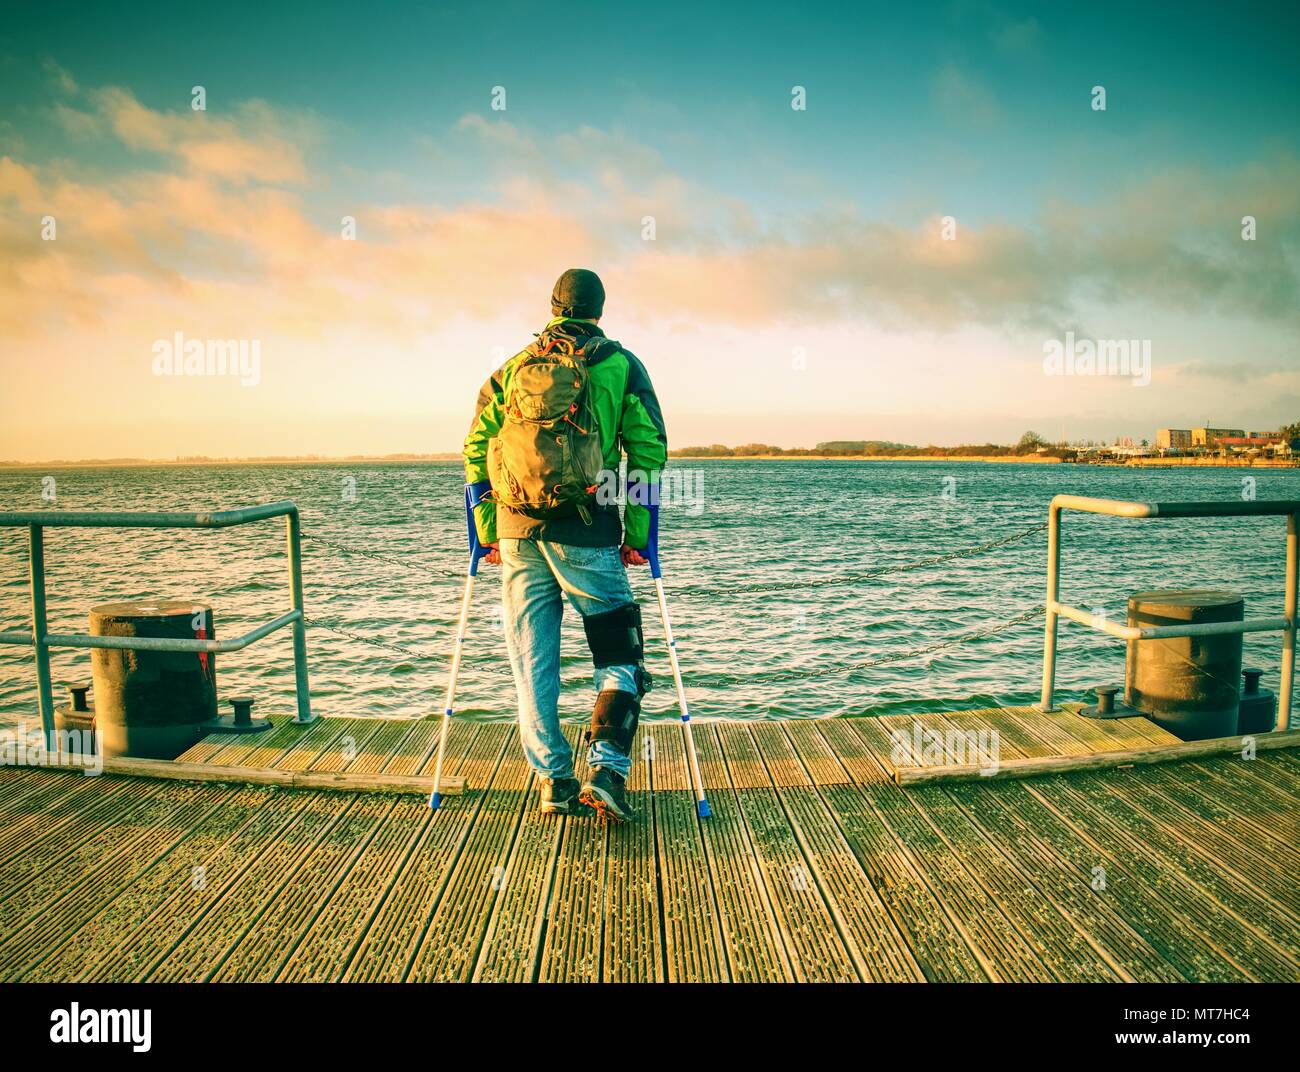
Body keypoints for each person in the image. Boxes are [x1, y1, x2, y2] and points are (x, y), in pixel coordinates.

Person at [463, 268, 667, 822]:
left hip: (516, 532)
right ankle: (606, 770)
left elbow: (476, 447)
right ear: (599, 310)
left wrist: (486, 531)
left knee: (532, 662)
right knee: (618, 648)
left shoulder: (512, 369)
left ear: (552, 307)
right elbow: (647, 452)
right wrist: (637, 536)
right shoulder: (621, 365)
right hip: (589, 530)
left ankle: (554, 781)